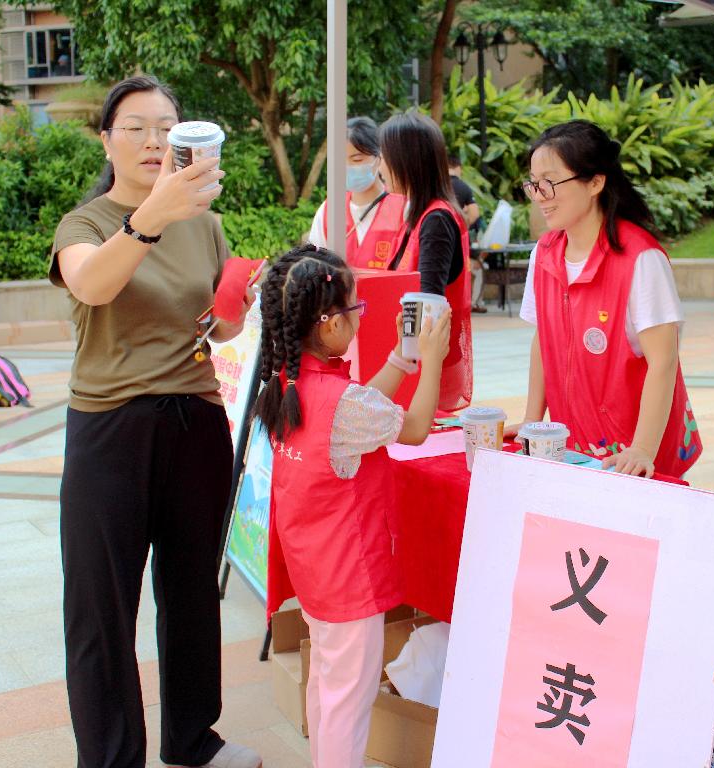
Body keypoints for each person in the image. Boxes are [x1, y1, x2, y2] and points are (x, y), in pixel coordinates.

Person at [50, 76, 261, 768]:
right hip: (110, 428)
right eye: (135, 127)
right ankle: (112, 757)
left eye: (166, 128)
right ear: (106, 141)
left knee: (192, 591)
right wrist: (152, 216)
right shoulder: (84, 224)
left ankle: (193, 739)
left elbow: (215, 328)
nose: (153, 141)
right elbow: (93, 284)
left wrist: (236, 308)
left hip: (195, 420)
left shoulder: (205, 223)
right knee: (101, 605)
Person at [257, 244, 451, 768]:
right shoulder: (340, 403)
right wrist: (431, 361)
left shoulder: (287, 383)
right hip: (349, 578)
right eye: (355, 308)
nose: (361, 316)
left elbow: (363, 412)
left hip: (315, 570)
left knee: (328, 685)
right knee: (349, 701)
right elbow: (413, 427)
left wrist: (400, 361)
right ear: (328, 323)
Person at [506, 119, 702, 479]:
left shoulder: (640, 259)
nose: (539, 195)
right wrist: (532, 422)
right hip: (575, 446)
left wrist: (642, 449)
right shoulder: (544, 254)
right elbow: (543, 340)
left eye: (550, 182)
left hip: (636, 452)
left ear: (595, 182)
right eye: (533, 183)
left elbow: (663, 361)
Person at [379, 111, 472, 411]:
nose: (380, 167)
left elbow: (428, 306)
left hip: (428, 372)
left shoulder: (436, 220)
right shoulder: (418, 214)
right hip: (416, 364)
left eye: (384, 158)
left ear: (406, 161)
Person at [309, 116, 406, 268]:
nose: (348, 167)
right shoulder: (329, 210)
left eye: (357, 160)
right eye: (341, 161)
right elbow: (315, 266)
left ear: (379, 158)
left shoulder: (403, 208)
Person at [448, 155, 486, 313]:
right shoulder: (464, 187)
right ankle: (470, 304)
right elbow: (475, 213)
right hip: (459, 243)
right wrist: (463, 224)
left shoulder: (437, 185)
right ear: (458, 168)